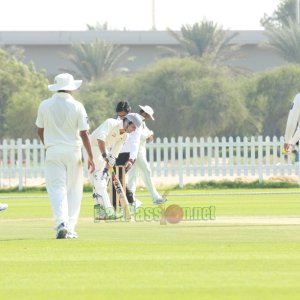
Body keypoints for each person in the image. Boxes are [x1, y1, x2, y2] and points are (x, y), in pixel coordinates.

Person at [35, 73, 95, 239]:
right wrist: (90, 156)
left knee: (56, 188)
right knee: (74, 190)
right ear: (71, 88)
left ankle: (61, 223)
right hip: (73, 152)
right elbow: (84, 133)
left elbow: (40, 130)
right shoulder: (77, 106)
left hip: (53, 151)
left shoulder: (44, 105)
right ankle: (71, 226)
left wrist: (48, 145)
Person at [89, 112, 142, 219]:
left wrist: (106, 169)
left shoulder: (125, 136)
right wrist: (105, 156)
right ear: (127, 121)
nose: (134, 129)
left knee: (99, 182)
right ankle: (108, 211)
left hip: (102, 153)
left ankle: (104, 211)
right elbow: (100, 139)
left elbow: (113, 156)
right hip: (91, 148)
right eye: (133, 126)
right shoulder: (111, 122)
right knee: (99, 182)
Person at [127, 105, 167, 205]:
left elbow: (148, 133)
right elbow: (140, 135)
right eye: (148, 116)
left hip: (137, 151)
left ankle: (131, 201)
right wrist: (149, 135)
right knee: (147, 171)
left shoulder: (142, 122)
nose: (148, 118)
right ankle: (155, 197)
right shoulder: (136, 120)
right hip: (136, 151)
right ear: (144, 113)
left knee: (133, 176)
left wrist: (150, 135)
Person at [112, 101, 141, 210]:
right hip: (116, 153)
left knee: (117, 179)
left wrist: (131, 159)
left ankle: (130, 202)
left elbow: (135, 142)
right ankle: (122, 204)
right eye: (119, 115)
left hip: (127, 155)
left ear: (128, 113)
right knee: (115, 179)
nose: (121, 118)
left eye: (123, 115)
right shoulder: (117, 120)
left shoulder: (135, 123)